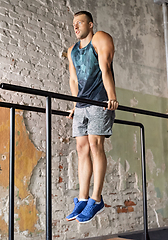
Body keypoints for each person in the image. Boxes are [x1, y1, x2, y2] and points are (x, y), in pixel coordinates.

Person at [65, 10, 118, 223]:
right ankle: (82, 198)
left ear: (91, 24)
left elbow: (105, 67)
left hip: (99, 101)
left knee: (96, 145)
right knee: (81, 148)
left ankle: (96, 200)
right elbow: (73, 79)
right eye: (74, 24)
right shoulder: (72, 51)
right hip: (82, 104)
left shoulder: (100, 38)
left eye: (80, 22)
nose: (76, 27)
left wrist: (112, 96)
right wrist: (75, 105)